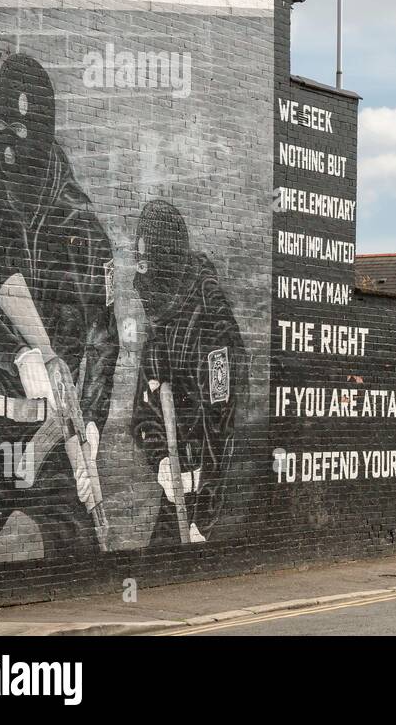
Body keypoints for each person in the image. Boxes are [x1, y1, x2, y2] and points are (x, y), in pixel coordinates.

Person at [0, 54, 119, 576]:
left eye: (18, 128)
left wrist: (93, 426)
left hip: (58, 432)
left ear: (43, 130)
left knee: (88, 568)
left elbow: (104, 340)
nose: (7, 141)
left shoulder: (82, 224)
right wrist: (14, 352)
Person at [130, 199, 243, 545]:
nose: (141, 272)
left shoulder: (210, 323)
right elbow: (142, 410)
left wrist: (204, 520)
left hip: (201, 505)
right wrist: (160, 457)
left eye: (147, 260)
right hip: (175, 492)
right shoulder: (161, 318)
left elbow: (221, 426)